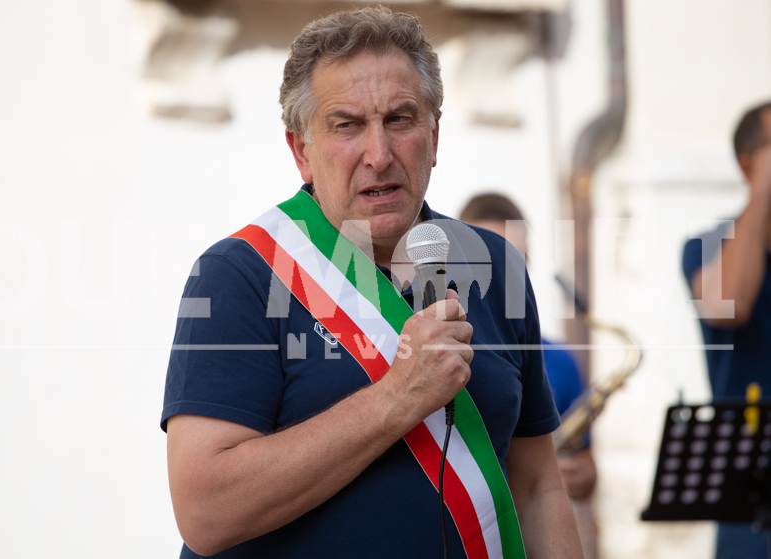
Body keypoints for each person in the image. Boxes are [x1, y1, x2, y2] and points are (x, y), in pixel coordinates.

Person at [161, 7, 583, 558]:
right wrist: (397, 398)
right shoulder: (238, 274)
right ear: (301, 150)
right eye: (347, 125)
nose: (379, 155)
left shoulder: (496, 266)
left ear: (434, 135)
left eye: (400, 119)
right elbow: (205, 513)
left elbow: (538, 487)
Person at [459, 193, 598, 558]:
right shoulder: (427, 345)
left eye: (513, 259)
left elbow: (587, 469)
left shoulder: (562, 361)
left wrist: (571, 478)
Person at [682, 100, 771, 559]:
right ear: (748, 165)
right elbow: (727, 304)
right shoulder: (706, 246)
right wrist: (762, 193)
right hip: (749, 491)